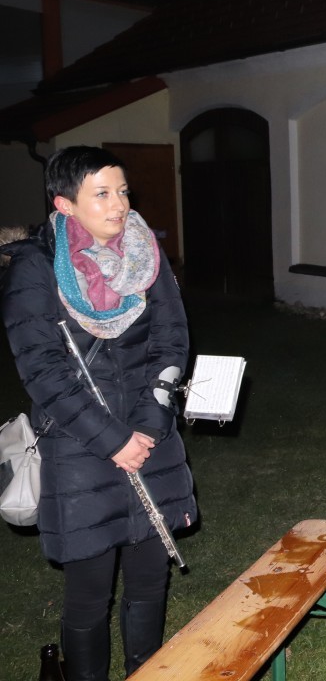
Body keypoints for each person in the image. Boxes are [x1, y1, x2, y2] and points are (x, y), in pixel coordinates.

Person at [1, 146, 195, 680]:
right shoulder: (36, 268)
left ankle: (144, 671)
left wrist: (150, 423)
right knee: (89, 592)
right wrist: (112, 440)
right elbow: (41, 369)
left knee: (150, 576)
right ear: (64, 204)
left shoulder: (146, 254)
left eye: (123, 191)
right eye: (102, 194)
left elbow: (172, 339)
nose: (119, 204)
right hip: (79, 446)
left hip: (150, 436)